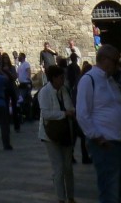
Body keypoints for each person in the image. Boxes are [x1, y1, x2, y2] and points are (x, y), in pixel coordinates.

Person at [76, 44, 121, 203]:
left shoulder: (111, 81)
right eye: (115, 61)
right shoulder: (89, 80)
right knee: (110, 192)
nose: (118, 65)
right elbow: (82, 114)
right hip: (106, 145)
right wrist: (98, 138)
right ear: (105, 60)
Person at [37, 64, 76, 203]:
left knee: (68, 167)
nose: (63, 80)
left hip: (65, 132)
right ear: (53, 78)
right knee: (58, 168)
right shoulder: (44, 92)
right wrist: (64, 113)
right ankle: (61, 198)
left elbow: (69, 105)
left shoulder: (63, 90)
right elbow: (46, 114)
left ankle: (71, 197)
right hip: (50, 134)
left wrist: (70, 110)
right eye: (60, 77)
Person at [17, 52, 32, 122]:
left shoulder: (26, 64)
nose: (18, 57)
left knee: (26, 99)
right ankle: (25, 114)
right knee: (22, 99)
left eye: (19, 56)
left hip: (26, 84)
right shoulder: (20, 65)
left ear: (22, 57)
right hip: (21, 84)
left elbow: (29, 71)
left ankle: (29, 115)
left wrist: (28, 79)